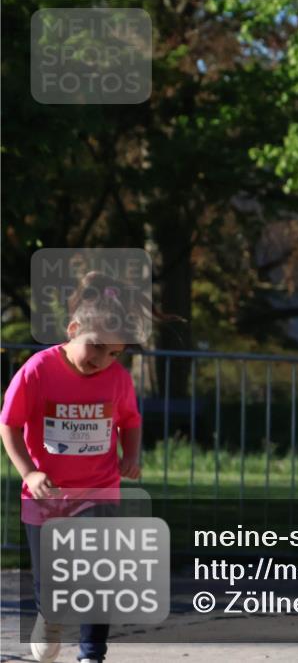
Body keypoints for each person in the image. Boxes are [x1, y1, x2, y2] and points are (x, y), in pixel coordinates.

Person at [1, 271, 144, 663]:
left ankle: (91, 653)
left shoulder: (117, 379)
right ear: (73, 329)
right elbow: (9, 424)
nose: (103, 361)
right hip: (45, 497)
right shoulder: (37, 370)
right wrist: (29, 472)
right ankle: (49, 617)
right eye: (96, 347)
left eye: (114, 354)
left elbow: (130, 421)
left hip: (98, 489)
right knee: (52, 582)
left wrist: (130, 455)